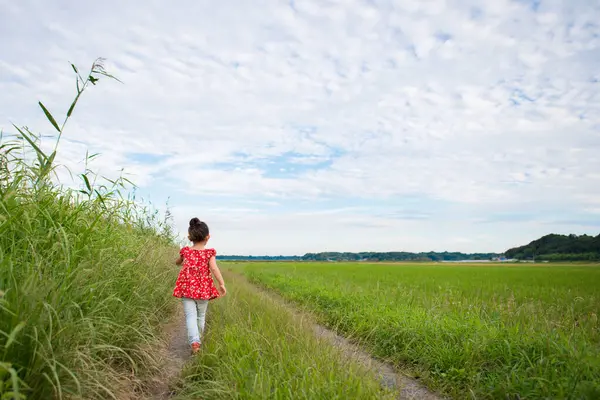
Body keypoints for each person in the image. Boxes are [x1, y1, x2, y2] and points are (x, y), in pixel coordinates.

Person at [173, 218, 226, 354]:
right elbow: (214, 269)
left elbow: (178, 262)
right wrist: (221, 283)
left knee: (190, 316)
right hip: (203, 290)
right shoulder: (209, 253)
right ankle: (198, 340)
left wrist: (179, 260)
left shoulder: (185, 251)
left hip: (187, 289)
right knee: (201, 316)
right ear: (207, 237)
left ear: (190, 237)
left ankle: (194, 342)